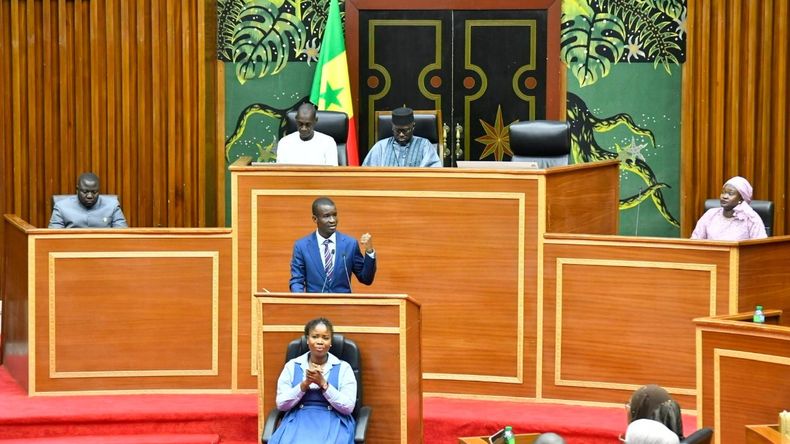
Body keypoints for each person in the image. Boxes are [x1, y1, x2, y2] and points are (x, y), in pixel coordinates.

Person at [269, 317, 356, 444]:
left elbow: (348, 407)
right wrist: (304, 385)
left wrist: (324, 385)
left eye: (325, 338)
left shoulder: (343, 367)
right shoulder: (292, 366)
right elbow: (281, 404)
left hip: (334, 419)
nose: (320, 341)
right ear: (307, 340)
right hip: (298, 418)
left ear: (331, 342)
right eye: (315, 337)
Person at [289, 197, 376, 293]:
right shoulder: (302, 246)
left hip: (343, 305)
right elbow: (297, 280)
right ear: (315, 219)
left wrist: (369, 251)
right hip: (314, 306)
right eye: (326, 216)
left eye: (334, 215)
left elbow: (366, 279)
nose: (332, 220)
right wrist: (299, 301)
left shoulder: (350, 244)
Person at [691, 176, 767, 240]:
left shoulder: (751, 219)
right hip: (710, 257)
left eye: (730, 194)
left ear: (741, 199)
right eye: (723, 192)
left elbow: (760, 249)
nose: (724, 196)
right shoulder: (710, 214)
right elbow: (695, 242)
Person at [362, 106, 441, 167]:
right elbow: (368, 172)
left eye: (405, 130)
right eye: (397, 130)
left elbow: (434, 172)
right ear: (392, 127)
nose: (401, 134)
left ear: (413, 127)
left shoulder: (424, 145)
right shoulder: (381, 147)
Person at [48, 172, 128, 228]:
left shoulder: (112, 205)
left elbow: (122, 234)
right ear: (77, 190)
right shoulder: (61, 207)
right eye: (85, 192)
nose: (90, 196)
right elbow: (53, 237)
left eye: (94, 192)